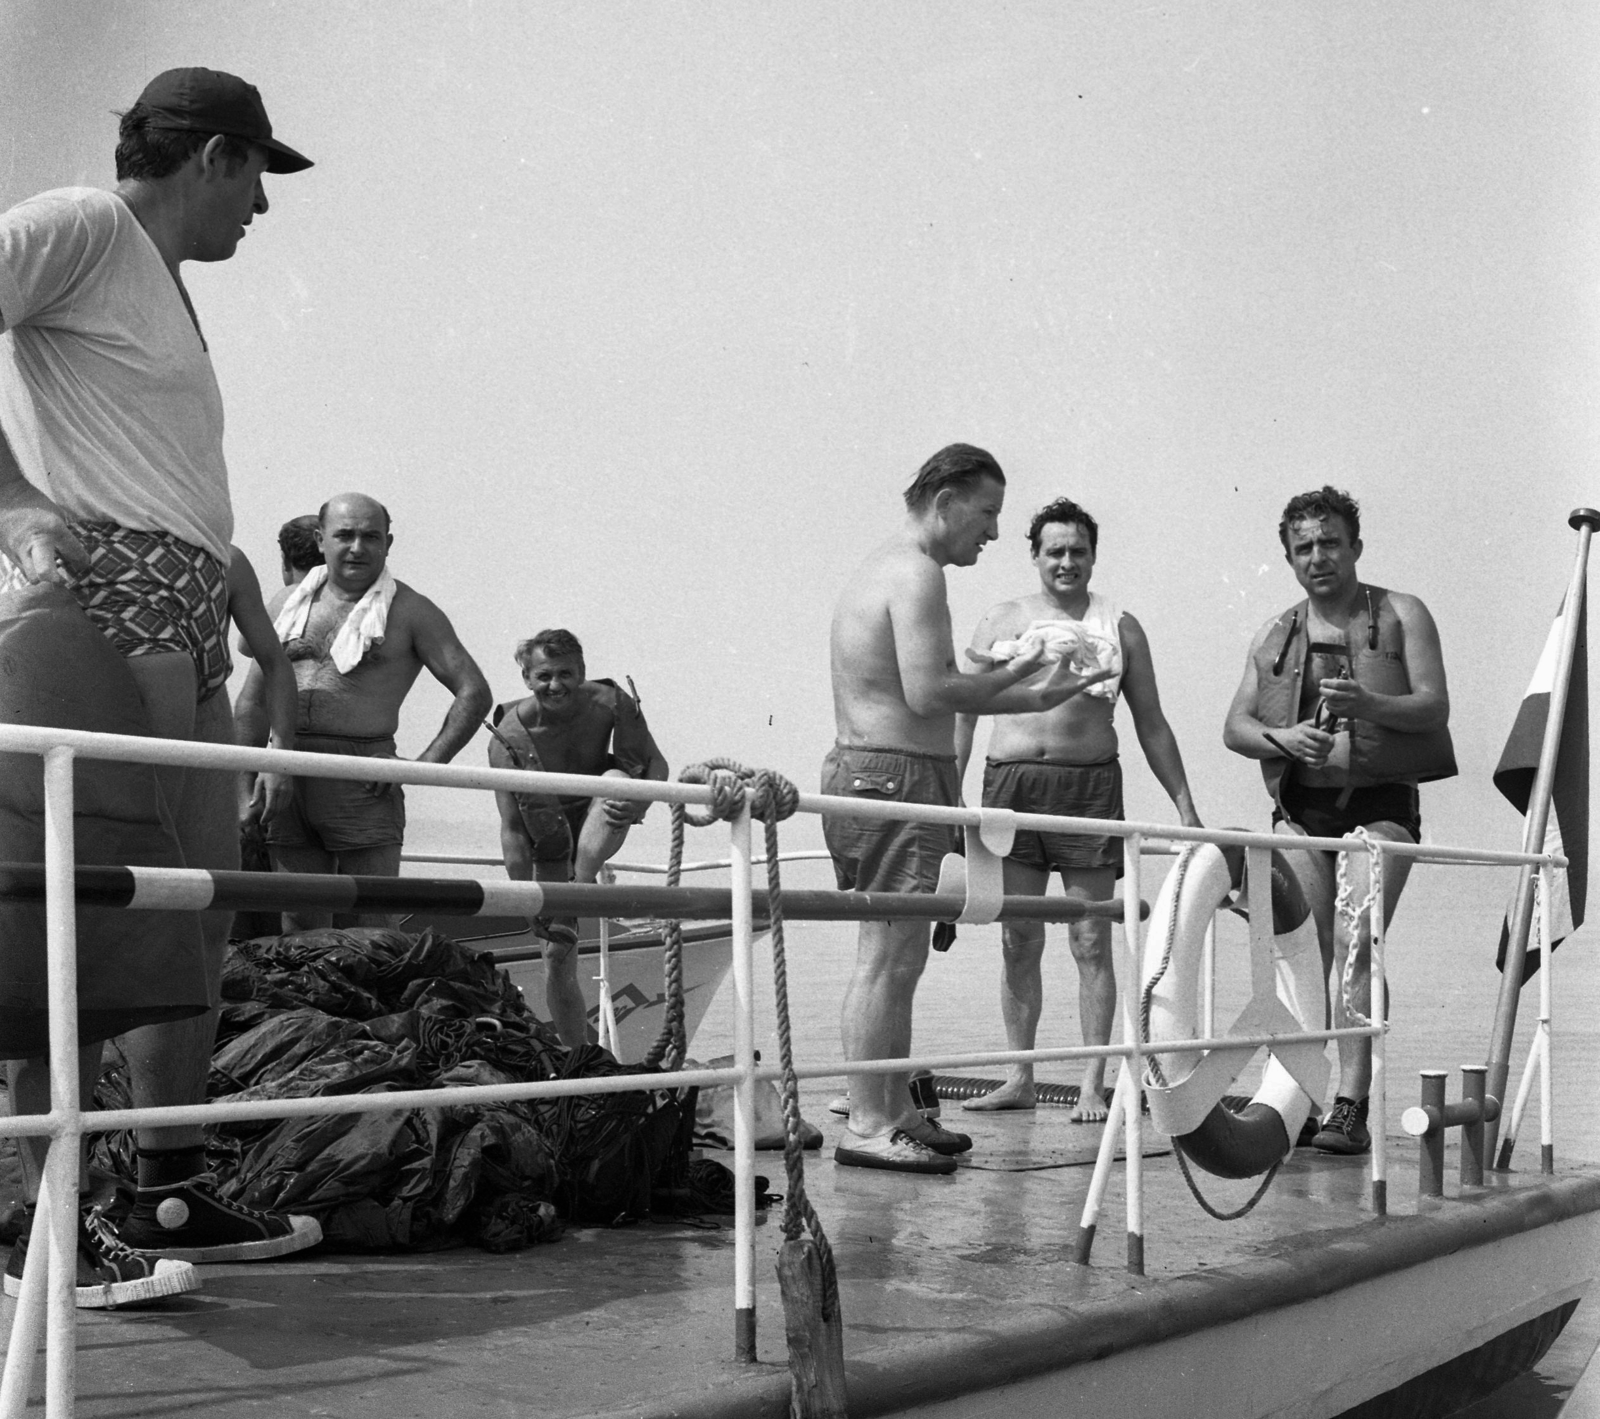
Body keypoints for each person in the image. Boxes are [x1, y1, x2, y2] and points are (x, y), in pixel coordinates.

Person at [0, 67, 321, 1303]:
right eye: (259, 180)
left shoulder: (165, 285)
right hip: (106, 615)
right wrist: (18, 500)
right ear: (213, 158)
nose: (262, 211)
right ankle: (44, 1222)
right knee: (84, 931)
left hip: (187, 624)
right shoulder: (82, 223)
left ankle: (166, 1189)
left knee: (192, 921)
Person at [825, 444, 1113, 1175]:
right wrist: (1030, 687)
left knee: (903, 953)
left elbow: (929, 678)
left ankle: (893, 1107)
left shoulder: (891, 567)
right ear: (947, 497)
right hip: (889, 777)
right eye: (986, 513)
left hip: (894, 776)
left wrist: (997, 670)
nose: (990, 533)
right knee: (886, 955)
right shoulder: (916, 572)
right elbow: (929, 694)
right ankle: (866, 1119)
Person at [1223, 486, 1454, 1155]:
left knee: (1357, 942)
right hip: (1303, 812)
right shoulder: (1275, 632)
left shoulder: (1404, 613)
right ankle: (1298, 1097)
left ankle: (1350, 1103)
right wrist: (1285, 740)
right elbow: (1236, 725)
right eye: (1304, 547)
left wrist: (1370, 702)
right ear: (1289, 558)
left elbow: (1435, 706)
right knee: (1302, 952)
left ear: (1355, 545)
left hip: (1381, 811)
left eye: (1330, 542)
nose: (1318, 556)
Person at [956, 497, 1202, 1121]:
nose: (1067, 561)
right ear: (1035, 555)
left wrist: (1186, 810)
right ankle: (1021, 1077)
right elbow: (962, 713)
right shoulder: (1001, 618)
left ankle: (1092, 1084)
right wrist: (948, 799)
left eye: (1078, 551)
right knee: (1017, 937)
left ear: (1094, 556)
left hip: (1088, 790)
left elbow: (1152, 724)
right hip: (1009, 789)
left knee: (1091, 938)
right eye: (1054, 551)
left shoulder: (1121, 626)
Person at [236, 492, 492, 930]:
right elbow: (253, 701)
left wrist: (422, 768)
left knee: (372, 920)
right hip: (286, 770)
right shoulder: (284, 604)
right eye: (345, 535)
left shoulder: (411, 611)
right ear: (320, 540)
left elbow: (473, 691)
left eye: (371, 537)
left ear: (388, 543)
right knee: (298, 919)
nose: (358, 547)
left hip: (363, 777)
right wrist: (242, 788)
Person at [488, 630, 668, 1048]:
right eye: (544, 676)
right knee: (555, 960)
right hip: (544, 840)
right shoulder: (506, 740)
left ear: (583, 672)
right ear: (527, 679)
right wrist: (522, 896)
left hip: (597, 822)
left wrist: (640, 804)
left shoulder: (609, 704)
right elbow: (512, 828)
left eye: (566, 673)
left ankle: (580, 891)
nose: (556, 685)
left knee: (618, 779)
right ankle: (577, 1056)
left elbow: (656, 764)